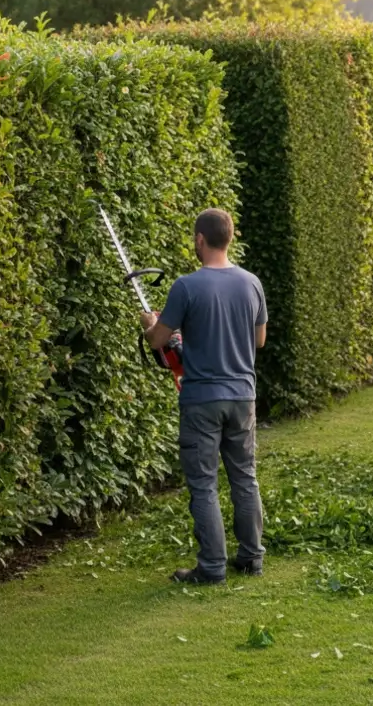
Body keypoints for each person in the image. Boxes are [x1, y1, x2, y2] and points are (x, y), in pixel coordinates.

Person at [141, 208, 268, 585]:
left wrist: (150, 325)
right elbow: (259, 340)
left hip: (201, 401)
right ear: (229, 238)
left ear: (200, 239)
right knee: (245, 477)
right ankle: (251, 557)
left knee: (204, 483)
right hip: (243, 397)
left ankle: (212, 568)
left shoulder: (186, 287)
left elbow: (159, 341)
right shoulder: (252, 283)